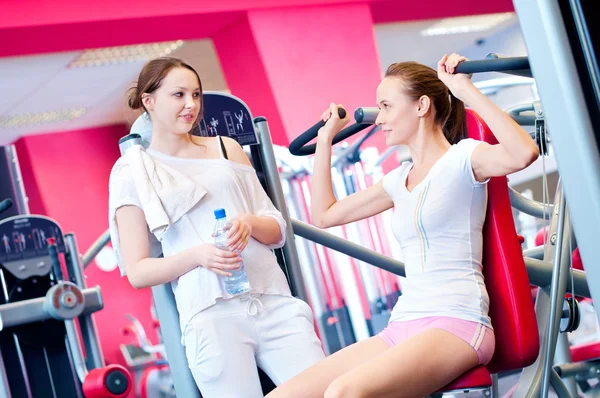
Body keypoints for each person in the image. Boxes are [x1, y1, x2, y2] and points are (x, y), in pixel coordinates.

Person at [267, 53, 540, 398]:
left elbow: (522, 154)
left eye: (386, 106)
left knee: (345, 393)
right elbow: (325, 214)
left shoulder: (465, 158)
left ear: (421, 106)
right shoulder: (397, 180)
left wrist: (462, 89)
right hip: (404, 323)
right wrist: (324, 142)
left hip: (458, 321)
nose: (378, 118)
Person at [108, 57, 324, 398]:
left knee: (323, 392)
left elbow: (277, 229)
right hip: (210, 315)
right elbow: (138, 272)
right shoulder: (132, 172)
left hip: (273, 300)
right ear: (149, 101)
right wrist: (198, 255)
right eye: (178, 95)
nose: (190, 104)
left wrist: (249, 223)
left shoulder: (227, 148)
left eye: (196, 94)